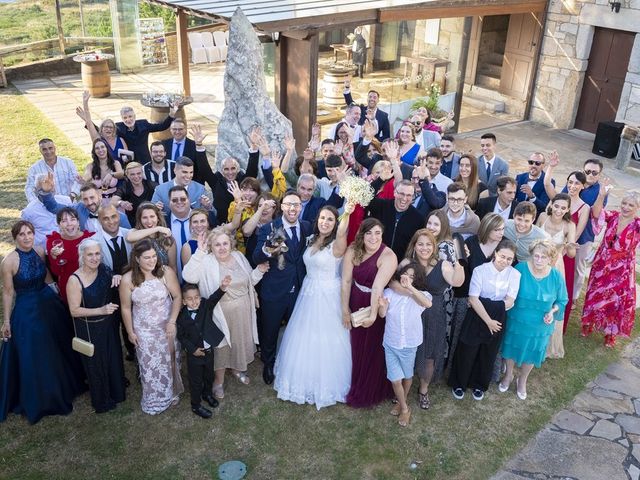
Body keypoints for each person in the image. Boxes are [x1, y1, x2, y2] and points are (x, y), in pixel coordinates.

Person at [0, 221, 86, 424]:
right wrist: (6, 321)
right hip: (26, 309)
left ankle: (67, 384)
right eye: (22, 234)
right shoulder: (9, 261)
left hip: (48, 303)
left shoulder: (40, 251)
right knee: (36, 351)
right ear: (15, 237)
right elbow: (8, 291)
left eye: (30, 233)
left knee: (59, 344)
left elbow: (46, 274)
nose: (27, 237)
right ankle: (42, 397)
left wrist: (56, 292)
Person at [275, 205, 353, 409]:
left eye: (330, 220)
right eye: (322, 218)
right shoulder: (310, 239)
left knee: (327, 337)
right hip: (308, 292)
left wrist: (348, 210)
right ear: (317, 219)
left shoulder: (337, 243)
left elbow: (344, 230)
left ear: (335, 223)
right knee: (304, 336)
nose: (325, 222)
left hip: (328, 295)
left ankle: (327, 382)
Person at [183, 229, 268, 399]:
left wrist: (258, 271)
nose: (222, 248)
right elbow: (188, 276)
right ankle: (218, 381)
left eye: (225, 243)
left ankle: (236, 369)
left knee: (239, 341)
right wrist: (199, 251)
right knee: (221, 346)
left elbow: (249, 280)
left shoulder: (238, 256)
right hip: (219, 312)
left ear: (231, 244)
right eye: (217, 244)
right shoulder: (206, 261)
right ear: (211, 247)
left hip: (243, 309)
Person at [448, 239, 520, 401]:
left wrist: (490, 309)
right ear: (495, 253)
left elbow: (510, 301)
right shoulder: (480, 270)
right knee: (467, 349)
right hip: (476, 315)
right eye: (502, 256)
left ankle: (479, 384)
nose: (505, 261)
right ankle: (459, 383)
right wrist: (488, 321)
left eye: (509, 259)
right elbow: (473, 298)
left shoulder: (515, 275)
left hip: (499, 317)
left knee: (488, 353)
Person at [253, 191, 313, 385]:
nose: (292, 208)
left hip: (299, 290)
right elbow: (257, 257)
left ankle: (296, 364)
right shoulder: (270, 227)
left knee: (296, 330)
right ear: (281, 206)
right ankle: (269, 364)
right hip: (274, 291)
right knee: (270, 331)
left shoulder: (306, 227)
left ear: (301, 207)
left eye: (296, 205)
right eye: (288, 205)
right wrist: (270, 246)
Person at [401, 229, 464, 409]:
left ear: (434, 247)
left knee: (428, 356)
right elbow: (394, 283)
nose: (424, 248)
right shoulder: (407, 263)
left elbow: (457, 281)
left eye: (429, 244)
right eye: (420, 244)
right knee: (406, 351)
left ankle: (423, 389)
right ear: (414, 245)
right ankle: (402, 389)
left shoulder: (443, 265)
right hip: (409, 313)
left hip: (433, 314)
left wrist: (459, 263)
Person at [120, 239, 184, 414]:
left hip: (166, 325)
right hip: (144, 329)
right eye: (147, 257)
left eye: (154, 256)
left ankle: (172, 390)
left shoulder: (165, 272)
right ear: (137, 259)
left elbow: (178, 297)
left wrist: (172, 321)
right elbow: (126, 308)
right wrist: (130, 331)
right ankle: (154, 395)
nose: (152, 260)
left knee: (170, 356)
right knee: (149, 362)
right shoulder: (128, 279)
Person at [499, 239, 568, 400]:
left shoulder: (556, 276)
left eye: (543, 257)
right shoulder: (520, 269)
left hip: (540, 325)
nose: (539, 260)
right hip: (516, 320)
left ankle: (522, 380)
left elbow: (562, 300)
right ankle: (508, 375)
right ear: (531, 255)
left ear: (551, 259)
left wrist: (552, 311)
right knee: (510, 348)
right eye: (536, 256)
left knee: (532, 352)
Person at [341, 218, 398, 407]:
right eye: (369, 233)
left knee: (371, 347)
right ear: (362, 234)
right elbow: (346, 281)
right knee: (354, 343)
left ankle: (367, 387)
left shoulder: (388, 256)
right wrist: (345, 308)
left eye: (378, 233)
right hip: (355, 297)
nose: (373, 238)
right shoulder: (353, 249)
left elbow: (377, 287)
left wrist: (373, 315)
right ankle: (351, 379)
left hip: (373, 303)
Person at [66, 239, 126, 414]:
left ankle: (117, 392)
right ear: (82, 256)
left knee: (113, 358)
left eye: (97, 253)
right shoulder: (74, 280)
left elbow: (113, 279)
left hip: (108, 326)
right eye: (90, 254)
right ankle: (102, 400)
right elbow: (74, 311)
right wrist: (101, 310)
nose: (94, 258)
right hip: (89, 329)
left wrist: (116, 275)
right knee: (96, 365)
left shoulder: (104, 269)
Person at [581, 190, 640, 347]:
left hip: (623, 269)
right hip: (603, 263)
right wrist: (601, 195)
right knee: (595, 293)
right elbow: (596, 213)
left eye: (631, 205)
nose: (626, 207)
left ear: (637, 207)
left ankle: (610, 333)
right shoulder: (613, 216)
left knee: (616, 300)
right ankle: (588, 323)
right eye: (624, 203)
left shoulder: (638, 225)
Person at [448, 213, 506, 368]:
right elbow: (463, 270)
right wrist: (467, 297)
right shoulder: (472, 243)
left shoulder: (505, 246)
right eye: (497, 230)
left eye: (503, 229)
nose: (501, 233)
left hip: (492, 301)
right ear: (487, 229)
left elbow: (509, 273)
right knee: (462, 334)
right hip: (467, 297)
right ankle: (456, 366)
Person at [380, 262, 432, 426]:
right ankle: (404, 408)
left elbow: (428, 304)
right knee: (395, 380)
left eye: (412, 277)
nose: (408, 279)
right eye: (406, 275)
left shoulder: (421, 295)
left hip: (410, 344)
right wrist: (382, 306)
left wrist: (410, 288)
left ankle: (400, 402)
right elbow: (382, 314)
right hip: (391, 342)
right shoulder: (389, 292)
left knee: (407, 376)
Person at [176, 281, 227, 419]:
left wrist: (222, 288)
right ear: (184, 301)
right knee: (196, 380)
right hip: (194, 356)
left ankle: (207, 394)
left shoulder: (205, 305)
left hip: (209, 351)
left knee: (209, 375)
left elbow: (214, 298)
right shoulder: (181, 317)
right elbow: (181, 337)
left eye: (197, 297)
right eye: (190, 299)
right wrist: (192, 350)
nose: (194, 301)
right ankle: (196, 405)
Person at [536, 193, 577, 343]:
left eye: (563, 208)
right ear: (551, 205)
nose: (559, 210)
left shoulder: (569, 225)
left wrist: (570, 247)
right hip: (537, 259)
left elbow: (571, 255)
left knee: (550, 299)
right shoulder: (541, 217)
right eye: (556, 206)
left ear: (567, 210)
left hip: (555, 264)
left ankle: (547, 340)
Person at [96, 204, 135, 361]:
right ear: (100, 221)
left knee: (131, 324)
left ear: (119, 217)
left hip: (132, 290)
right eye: (106, 218)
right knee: (112, 329)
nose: (111, 221)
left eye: (114, 217)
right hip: (108, 293)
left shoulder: (130, 236)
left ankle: (133, 352)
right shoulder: (94, 241)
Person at [39, 178, 131, 232]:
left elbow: (128, 237)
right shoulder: (77, 209)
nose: (90, 202)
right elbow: (54, 207)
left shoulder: (118, 216)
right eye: (85, 199)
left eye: (92, 197)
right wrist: (46, 192)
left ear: (99, 196)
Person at [46, 207, 95, 303]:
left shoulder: (90, 238)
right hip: (68, 286)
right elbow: (56, 272)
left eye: (72, 219)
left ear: (78, 222)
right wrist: (53, 257)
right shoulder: (54, 241)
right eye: (64, 221)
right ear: (59, 224)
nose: (69, 224)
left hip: (90, 284)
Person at [367, 180, 424, 260]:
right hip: (373, 260)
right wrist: (380, 180)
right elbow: (365, 196)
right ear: (395, 193)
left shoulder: (418, 219)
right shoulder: (381, 206)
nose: (404, 198)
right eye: (401, 194)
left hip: (400, 266)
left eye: (408, 195)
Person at [21, 174, 72, 248]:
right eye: (42, 189)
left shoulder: (66, 201)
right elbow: (25, 233)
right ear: (35, 190)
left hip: (68, 247)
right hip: (44, 252)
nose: (48, 190)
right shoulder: (29, 211)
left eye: (51, 186)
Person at [76, 91, 129, 162]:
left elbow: (128, 156)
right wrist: (85, 103)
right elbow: (89, 124)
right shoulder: (98, 140)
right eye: (106, 127)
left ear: (114, 130)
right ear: (101, 129)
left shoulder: (121, 140)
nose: (108, 129)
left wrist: (126, 158)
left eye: (111, 127)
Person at [25, 138, 80, 203]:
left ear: (55, 148)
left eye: (50, 148)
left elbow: (77, 181)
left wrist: (72, 195)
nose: (48, 152)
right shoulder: (34, 169)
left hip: (69, 202)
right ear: (40, 151)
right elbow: (29, 188)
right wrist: (35, 203)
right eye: (44, 149)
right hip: (47, 206)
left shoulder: (68, 162)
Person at [126, 202, 177, 271]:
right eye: (144, 217)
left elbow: (173, 267)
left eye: (152, 216)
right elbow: (129, 238)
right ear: (140, 220)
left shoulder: (168, 240)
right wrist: (157, 228)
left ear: (158, 218)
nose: (149, 221)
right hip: (141, 278)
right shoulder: (135, 232)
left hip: (163, 278)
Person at [111, 161, 157, 227]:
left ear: (142, 173)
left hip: (151, 223)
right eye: (132, 174)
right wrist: (121, 203)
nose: (136, 176)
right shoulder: (125, 187)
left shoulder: (151, 185)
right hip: (133, 225)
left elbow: (162, 197)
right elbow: (112, 202)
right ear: (127, 175)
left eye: (139, 173)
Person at [83, 138, 124, 204]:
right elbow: (86, 176)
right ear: (94, 151)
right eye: (97, 148)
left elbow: (121, 174)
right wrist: (83, 180)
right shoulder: (90, 166)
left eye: (102, 147)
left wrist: (111, 174)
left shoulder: (115, 163)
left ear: (107, 148)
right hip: (98, 203)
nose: (100, 150)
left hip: (114, 202)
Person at [515, 152, 554, 219]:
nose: (533, 165)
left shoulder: (548, 182)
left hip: (534, 219)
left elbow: (543, 207)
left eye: (537, 163)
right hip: (518, 216)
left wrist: (532, 196)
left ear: (543, 165)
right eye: (531, 162)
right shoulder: (520, 177)